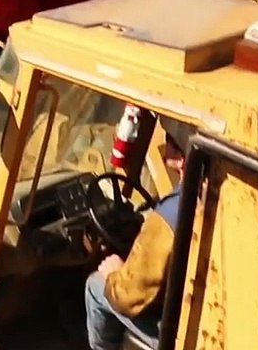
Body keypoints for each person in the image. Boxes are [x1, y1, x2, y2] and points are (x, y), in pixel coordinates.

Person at [84, 116, 195, 350]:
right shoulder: (228, 194)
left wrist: (114, 272)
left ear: (179, 159)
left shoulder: (172, 215)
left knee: (96, 286)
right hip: (197, 309)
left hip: (183, 335)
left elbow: (129, 297)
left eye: (170, 141)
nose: (166, 148)